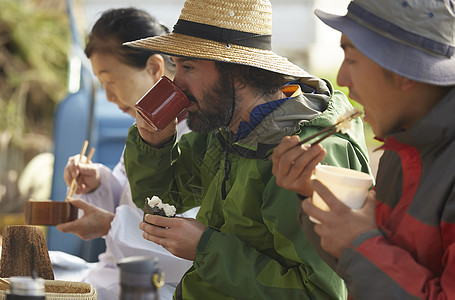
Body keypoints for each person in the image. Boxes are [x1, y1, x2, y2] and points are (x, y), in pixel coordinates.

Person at [123, 0, 372, 298]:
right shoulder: (228, 132)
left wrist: (207, 248)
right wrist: (155, 144)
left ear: (237, 72)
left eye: (189, 67)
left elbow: (319, 293)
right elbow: (164, 200)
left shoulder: (309, 154)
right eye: (177, 66)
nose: (177, 83)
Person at [274, 0, 455, 298]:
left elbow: (368, 253)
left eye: (352, 59)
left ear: (404, 71)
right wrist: (316, 195)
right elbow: (363, 271)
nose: (342, 80)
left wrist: (361, 243)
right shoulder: (402, 146)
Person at [56, 8, 195, 300]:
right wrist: (99, 182)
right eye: (101, 84)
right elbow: (131, 201)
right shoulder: (145, 128)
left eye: (110, 81)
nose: (108, 96)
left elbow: (185, 246)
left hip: (158, 286)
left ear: (155, 68)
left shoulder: (199, 137)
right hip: (112, 275)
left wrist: (109, 224)